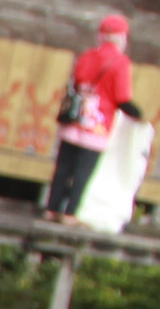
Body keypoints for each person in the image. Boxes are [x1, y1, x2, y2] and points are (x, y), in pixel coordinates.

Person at [44, 14, 136, 221]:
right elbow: (122, 98)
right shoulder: (121, 63)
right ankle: (70, 214)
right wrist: (138, 115)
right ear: (122, 38)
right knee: (83, 172)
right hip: (98, 124)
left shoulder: (87, 56)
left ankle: (51, 209)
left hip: (75, 119)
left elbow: (77, 81)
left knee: (63, 167)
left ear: (100, 36)